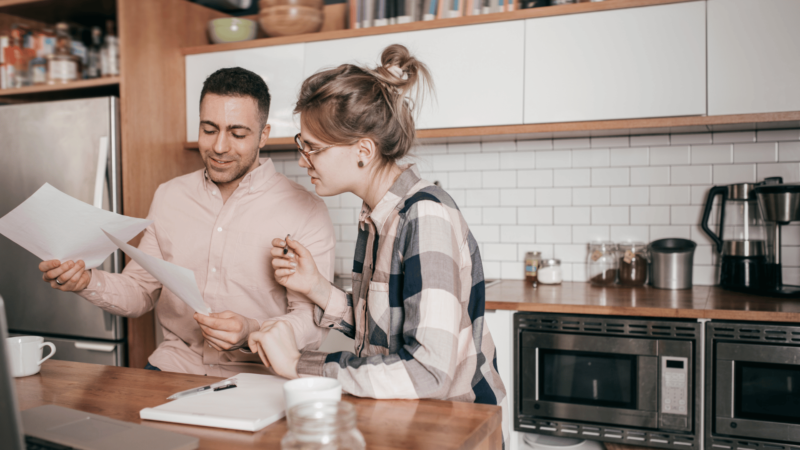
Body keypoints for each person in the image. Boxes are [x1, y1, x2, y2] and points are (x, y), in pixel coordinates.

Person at [247, 44, 508, 443]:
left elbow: (429, 371)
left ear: (363, 151)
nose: (303, 160)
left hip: (453, 431)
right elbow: (385, 333)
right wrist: (315, 287)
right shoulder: (377, 217)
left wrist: (302, 364)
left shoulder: (425, 216)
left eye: (312, 147)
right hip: (407, 421)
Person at [38, 67, 336, 377]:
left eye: (237, 133)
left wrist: (253, 331)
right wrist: (86, 281)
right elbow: (140, 291)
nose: (219, 147)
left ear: (264, 135)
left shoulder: (306, 209)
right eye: (209, 130)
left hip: (261, 374)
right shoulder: (170, 196)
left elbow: (312, 323)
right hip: (174, 366)